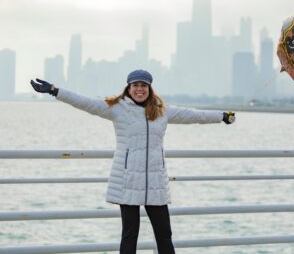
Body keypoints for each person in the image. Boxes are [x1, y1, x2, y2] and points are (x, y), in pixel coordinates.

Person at [30, 69, 235, 254]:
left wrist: (222, 116)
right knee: (129, 236)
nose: (139, 89)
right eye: (135, 85)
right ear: (128, 88)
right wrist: (55, 91)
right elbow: (84, 102)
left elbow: (193, 115)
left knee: (164, 236)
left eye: (143, 85)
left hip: (155, 182)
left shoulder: (162, 110)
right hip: (128, 181)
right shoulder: (117, 108)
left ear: (149, 88)